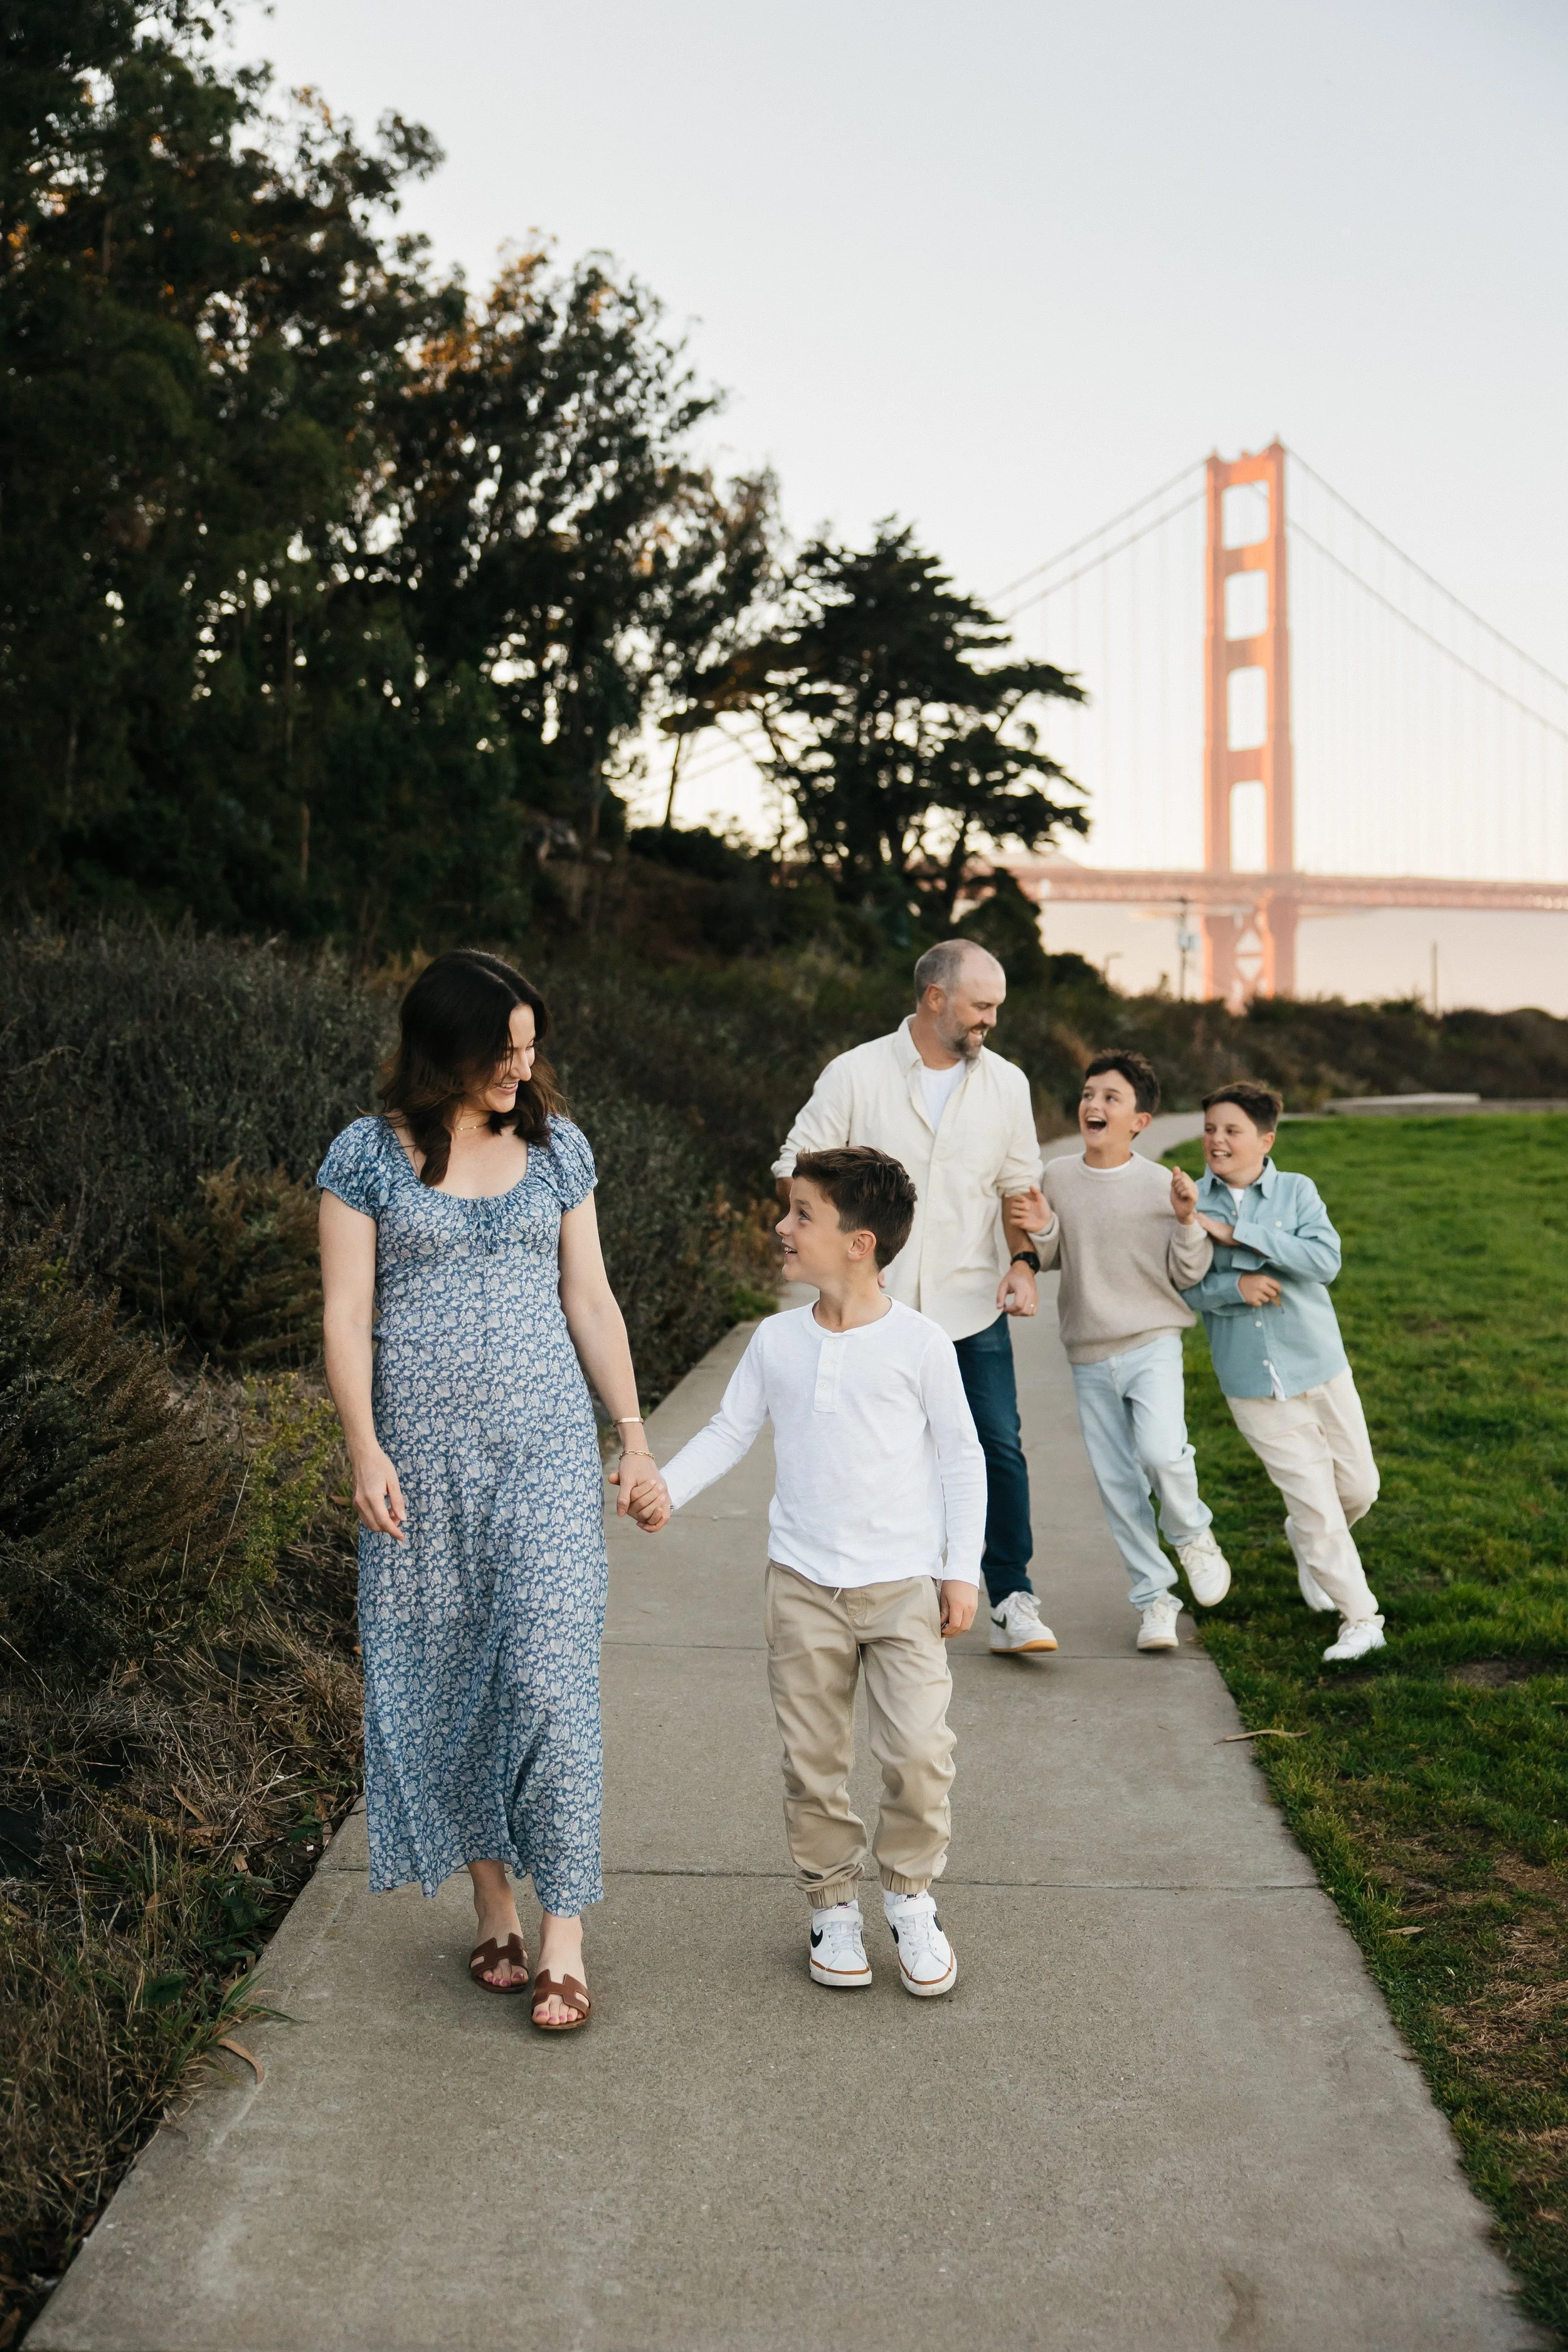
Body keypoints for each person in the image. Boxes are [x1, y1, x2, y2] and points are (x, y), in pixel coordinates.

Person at [317, 949, 659, 2033]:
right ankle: (494, 1904)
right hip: (419, 1469)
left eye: (529, 1047)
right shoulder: (367, 1156)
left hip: (546, 1456)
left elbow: (591, 1301)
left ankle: (567, 1930)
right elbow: (344, 1315)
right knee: (455, 1678)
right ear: (442, 1047)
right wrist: (363, 1449)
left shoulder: (557, 1150)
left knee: (552, 1679)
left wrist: (636, 1441)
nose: (522, 1067)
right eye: (501, 1050)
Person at [624, 1147, 984, 1998]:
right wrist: (664, 1489)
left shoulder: (921, 1343)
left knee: (920, 1752)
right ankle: (832, 1905)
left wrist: (959, 1570)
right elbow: (727, 1430)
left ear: (859, 1242)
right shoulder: (777, 1339)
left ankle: (910, 1896)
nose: (782, 1227)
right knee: (814, 1759)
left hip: (901, 1585)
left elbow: (964, 1461)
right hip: (803, 1584)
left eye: (802, 1215)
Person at [772, 941, 1056, 1657]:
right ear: (935, 998)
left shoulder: (1007, 1085)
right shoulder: (855, 1073)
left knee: (996, 1447)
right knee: (876, 1451)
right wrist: (836, 1239)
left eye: (996, 1007)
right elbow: (794, 1162)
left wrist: (1023, 1262)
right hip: (876, 1311)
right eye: (980, 1006)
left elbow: (1018, 1191)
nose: (990, 1020)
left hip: (969, 1304)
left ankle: (1013, 1596)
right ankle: (883, 1588)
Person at [1031, 1049, 1230, 1651]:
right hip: (1089, 1353)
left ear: (1139, 1120)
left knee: (1163, 1454)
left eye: (1110, 1098)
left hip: (1151, 1342)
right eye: (1089, 1094)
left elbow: (1188, 1274)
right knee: (1119, 1483)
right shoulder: (1058, 1176)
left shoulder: (1161, 1186)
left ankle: (1194, 1536)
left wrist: (1188, 1220)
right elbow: (1049, 1256)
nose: (1094, 1105)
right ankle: (1154, 1599)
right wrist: (1042, 1227)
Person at [1182, 1083, 1385, 1664]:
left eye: (1231, 1130)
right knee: (1318, 1506)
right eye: (1211, 1128)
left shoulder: (1297, 1192)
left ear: (1265, 1140)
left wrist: (1242, 1233)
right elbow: (1183, 1287)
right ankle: (1362, 1619)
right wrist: (1235, 1287)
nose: (1216, 1140)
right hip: (1250, 1380)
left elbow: (1325, 1261)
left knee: (1359, 1488)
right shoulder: (1191, 1201)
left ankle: (1306, 1539)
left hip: (1319, 1363)